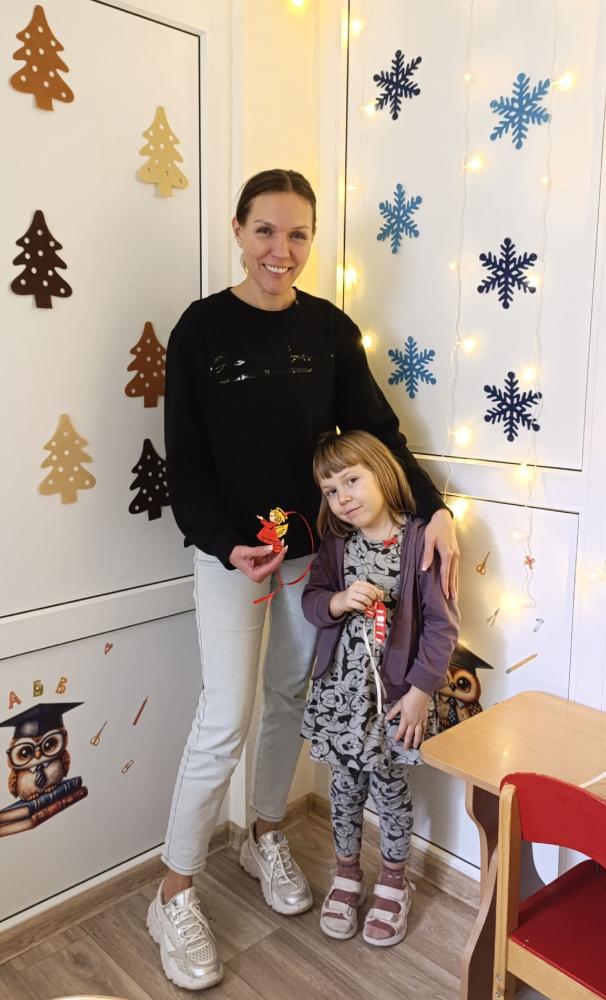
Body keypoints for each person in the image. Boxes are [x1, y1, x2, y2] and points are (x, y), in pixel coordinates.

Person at [147, 168, 459, 990]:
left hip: (315, 558)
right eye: (265, 231)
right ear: (238, 230)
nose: (280, 251)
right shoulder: (201, 330)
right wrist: (225, 543)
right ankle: (172, 891)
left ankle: (264, 833)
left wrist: (436, 510)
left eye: (297, 235)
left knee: (289, 696)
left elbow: (379, 433)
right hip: (230, 555)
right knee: (225, 716)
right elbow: (187, 463)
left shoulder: (328, 329)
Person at [300, 429, 460, 947]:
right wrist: (338, 600)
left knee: (390, 790)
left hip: (392, 702)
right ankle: (347, 875)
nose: (342, 498)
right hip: (340, 699)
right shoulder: (336, 544)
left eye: (352, 481)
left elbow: (441, 628)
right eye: (330, 490)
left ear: (383, 473)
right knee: (344, 789)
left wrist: (419, 693)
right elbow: (312, 600)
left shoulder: (419, 540)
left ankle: (394, 881)